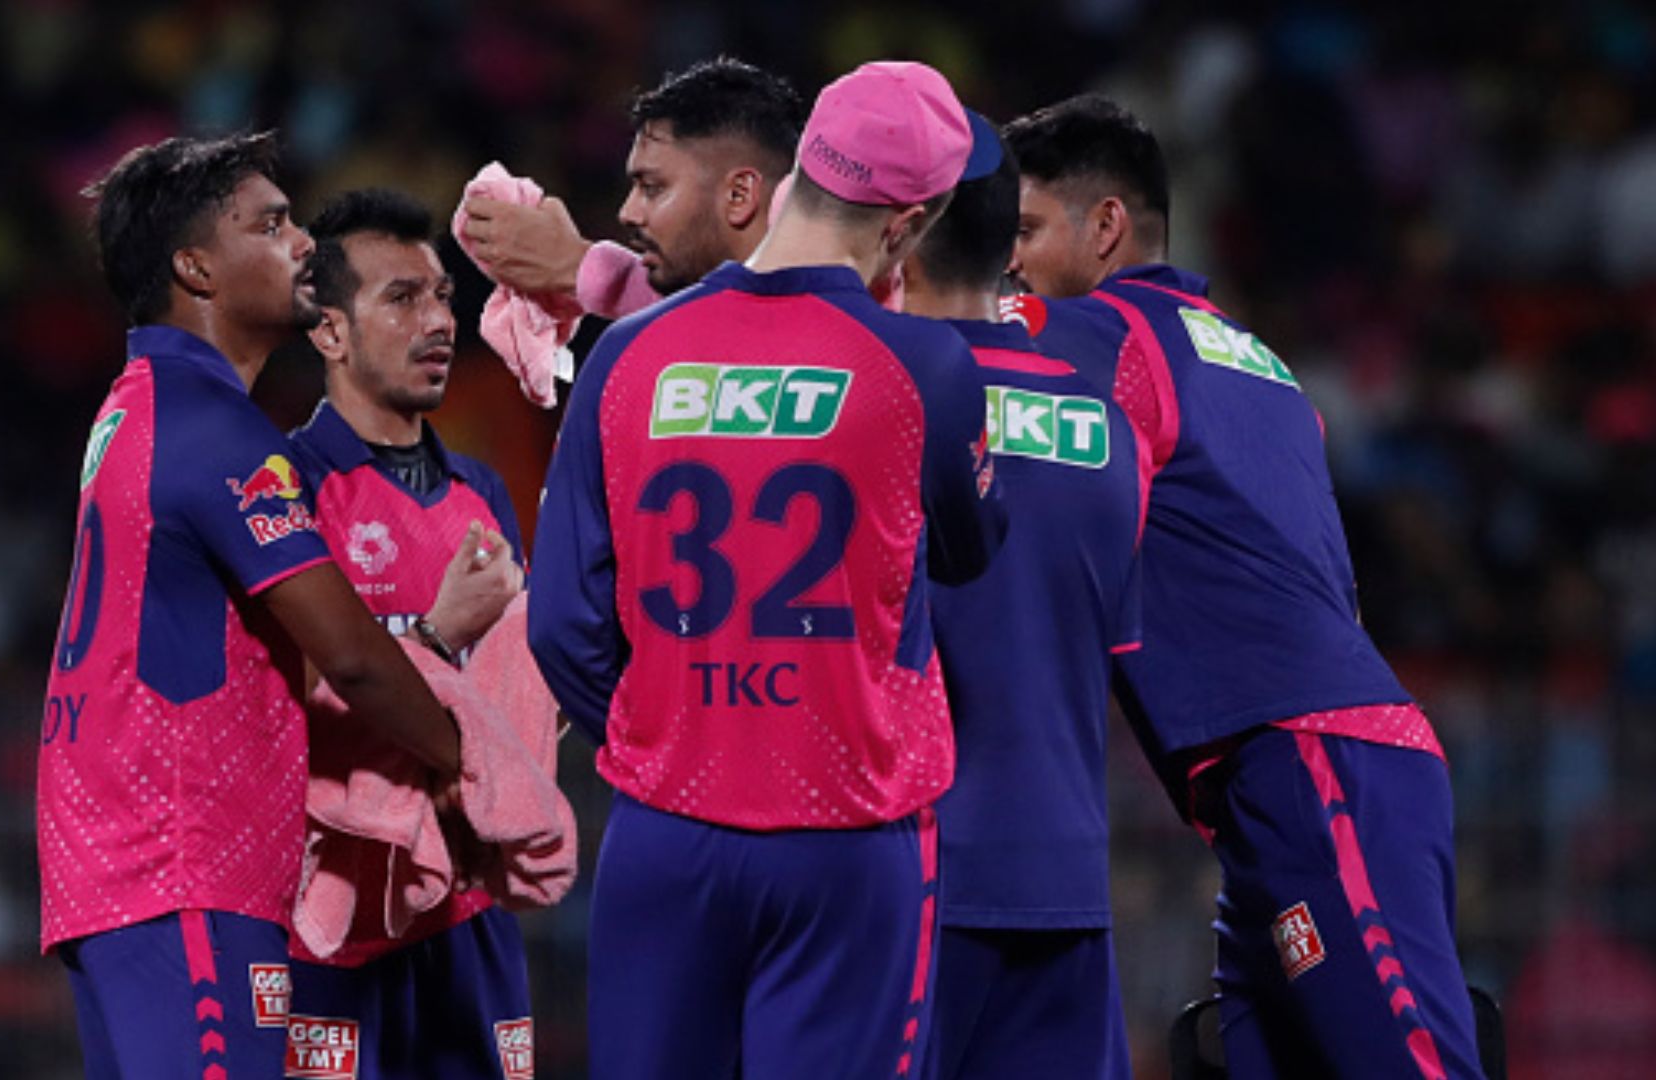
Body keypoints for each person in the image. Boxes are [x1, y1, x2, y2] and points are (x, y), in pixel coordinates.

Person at [527, 60, 1006, 1079]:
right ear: (911, 217)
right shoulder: (925, 369)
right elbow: (969, 554)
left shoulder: (626, 356)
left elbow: (561, 620)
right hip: (847, 831)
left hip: (665, 830)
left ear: (798, 171)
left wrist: (678, 724)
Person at [1006, 95, 1486, 1080]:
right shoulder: (1253, 356)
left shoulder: (1102, 332)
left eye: (1021, 230)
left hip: (1310, 762)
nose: (1004, 260)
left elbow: (939, 341)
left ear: (1105, 227)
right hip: (1293, 772)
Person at [40, 132, 463, 1080]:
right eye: (270, 225)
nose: (305, 241)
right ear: (196, 268)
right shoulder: (219, 431)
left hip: (126, 872)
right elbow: (348, 653)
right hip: (184, 864)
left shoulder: (134, 408)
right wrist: (468, 760)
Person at [898, 137, 1141, 1079]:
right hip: (1069, 872)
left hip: (919, 874)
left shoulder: (884, 392)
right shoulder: (1107, 420)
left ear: (899, 232)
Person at [281, 187, 532, 1080]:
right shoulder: (283, 490)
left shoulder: (483, 494)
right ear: (329, 331)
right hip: (335, 919)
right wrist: (432, 634)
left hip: (469, 912)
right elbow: (295, 700)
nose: (438, 321)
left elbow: (525, 703)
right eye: (401, 298)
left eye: (443, 297)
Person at [458, 56, 804, 316]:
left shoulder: (850, 319)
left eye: (652, 188)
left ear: (739, 194)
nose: (627, 213)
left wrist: (580, 266)